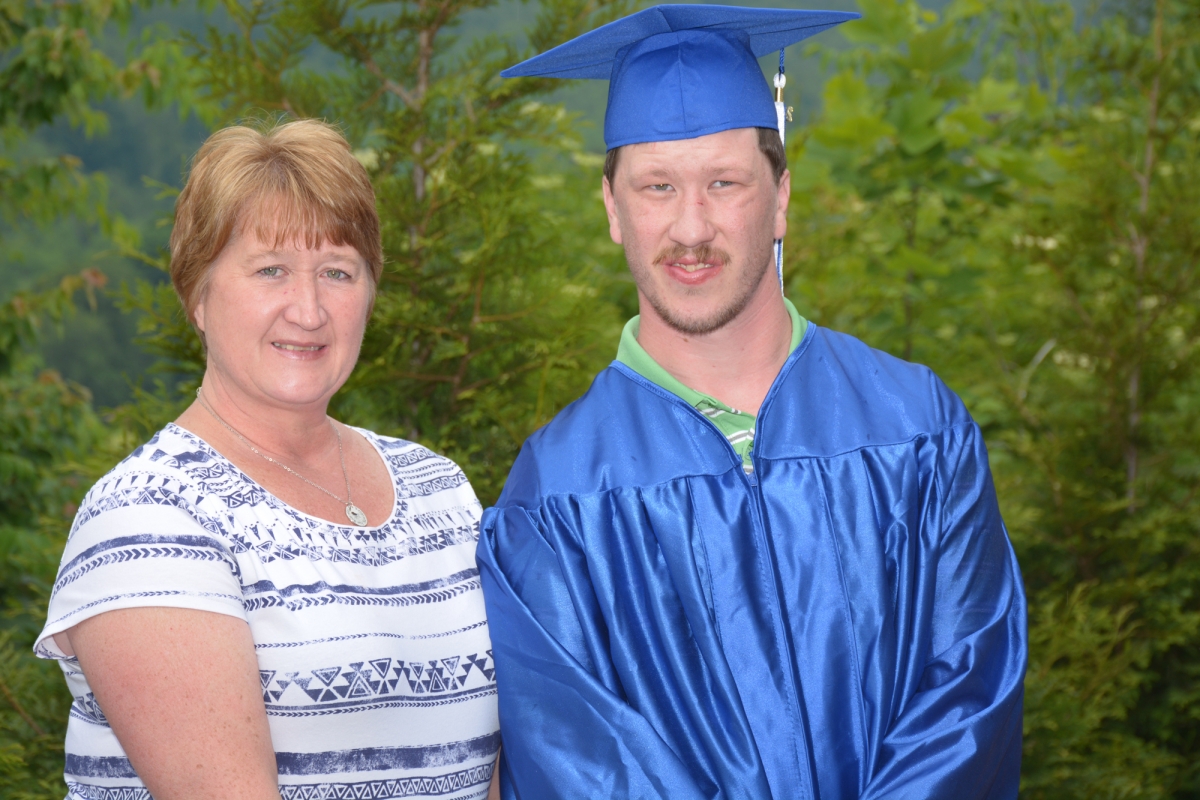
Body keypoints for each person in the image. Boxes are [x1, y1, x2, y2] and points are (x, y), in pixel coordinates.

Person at [477, 6, 1026, 799]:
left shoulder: (917, 429)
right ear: (611, 208)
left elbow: (970, 695)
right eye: (657, 186)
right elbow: (582, 766)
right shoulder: (557, 495)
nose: (690, 227)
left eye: (724, 183)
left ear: (780, 198)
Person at [36, 119, 499, 800]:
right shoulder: (146, 519)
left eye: (338, 272)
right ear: (198, 292)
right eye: (271, 270)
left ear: (370, 294)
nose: (308, 310)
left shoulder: (440, 491)